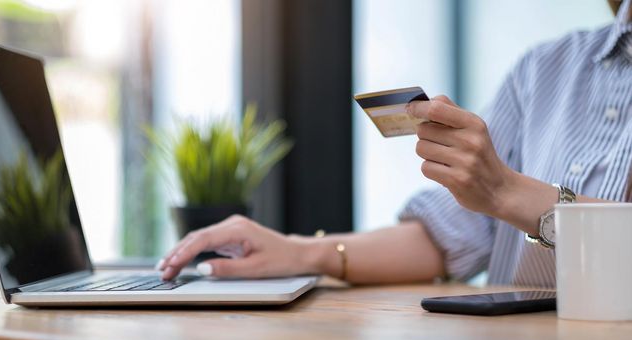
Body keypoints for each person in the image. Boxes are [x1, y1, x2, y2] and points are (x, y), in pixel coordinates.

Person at [157, 0, 632, 288]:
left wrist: (506, 191)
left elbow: (498, 199)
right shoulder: (544, 68)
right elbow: (456, 232)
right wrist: (300, 253)